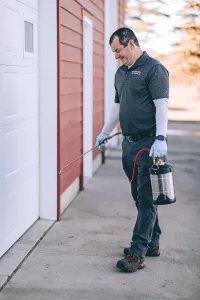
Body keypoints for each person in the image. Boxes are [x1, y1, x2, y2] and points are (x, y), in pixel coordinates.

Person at [95, 27, 169, 273]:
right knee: (139, 198)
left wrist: (161, 138)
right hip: (128, 144)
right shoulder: (121, 73)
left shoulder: (154, 69)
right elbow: (117, 107)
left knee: (146, 199)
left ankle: (137, 253)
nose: (117, 56)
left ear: (131, 44)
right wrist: (106, 131)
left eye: (118, 51)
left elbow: (162, 106)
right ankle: (153, 243)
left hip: (149, 145)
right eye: (114, 52)